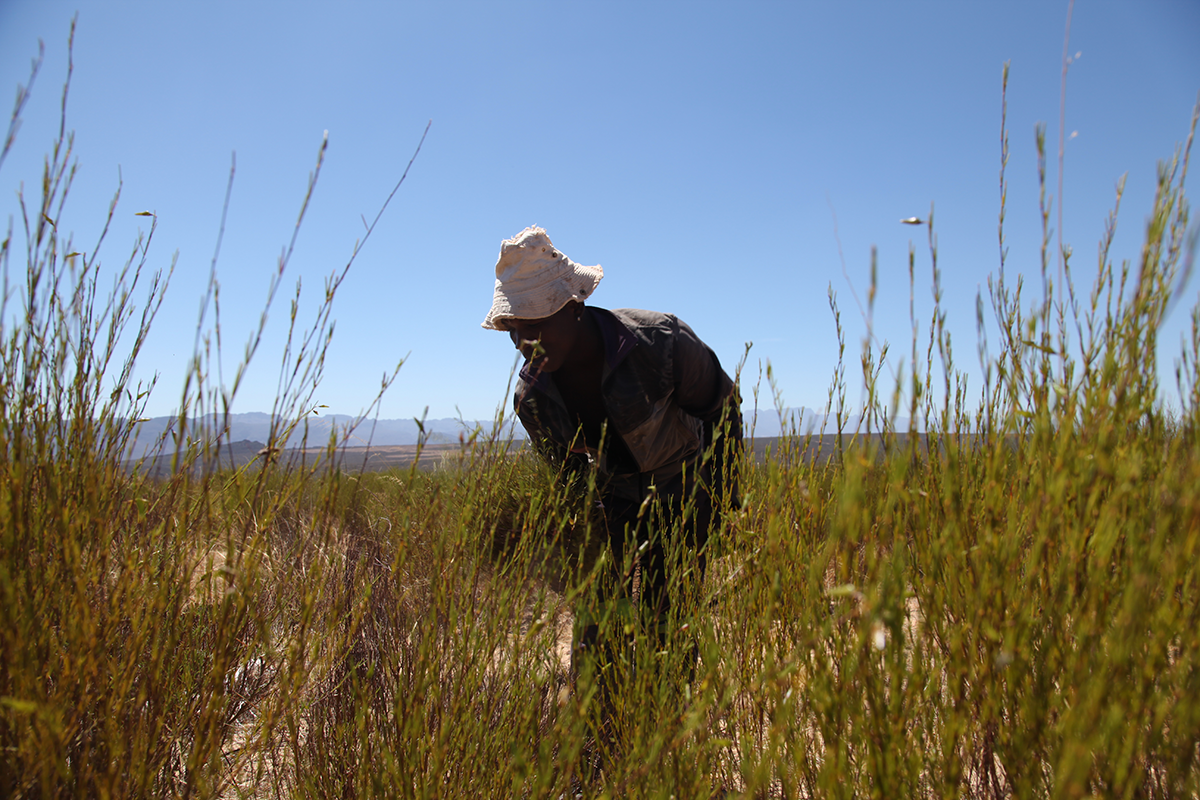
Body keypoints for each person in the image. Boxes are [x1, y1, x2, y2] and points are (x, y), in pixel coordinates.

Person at [481, 225, 742, 770]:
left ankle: (667, 741)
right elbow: (569, 479)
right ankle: (602, 744)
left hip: (683, 490)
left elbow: (721, 408)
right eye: (512, 328)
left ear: (573, 308)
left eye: (534, 325)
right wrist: (588, 548)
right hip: (615, 503)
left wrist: (717, 502)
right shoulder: (534, 398)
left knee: (669, 619)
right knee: (597, 629)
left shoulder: (660, 344)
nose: (522, 342)